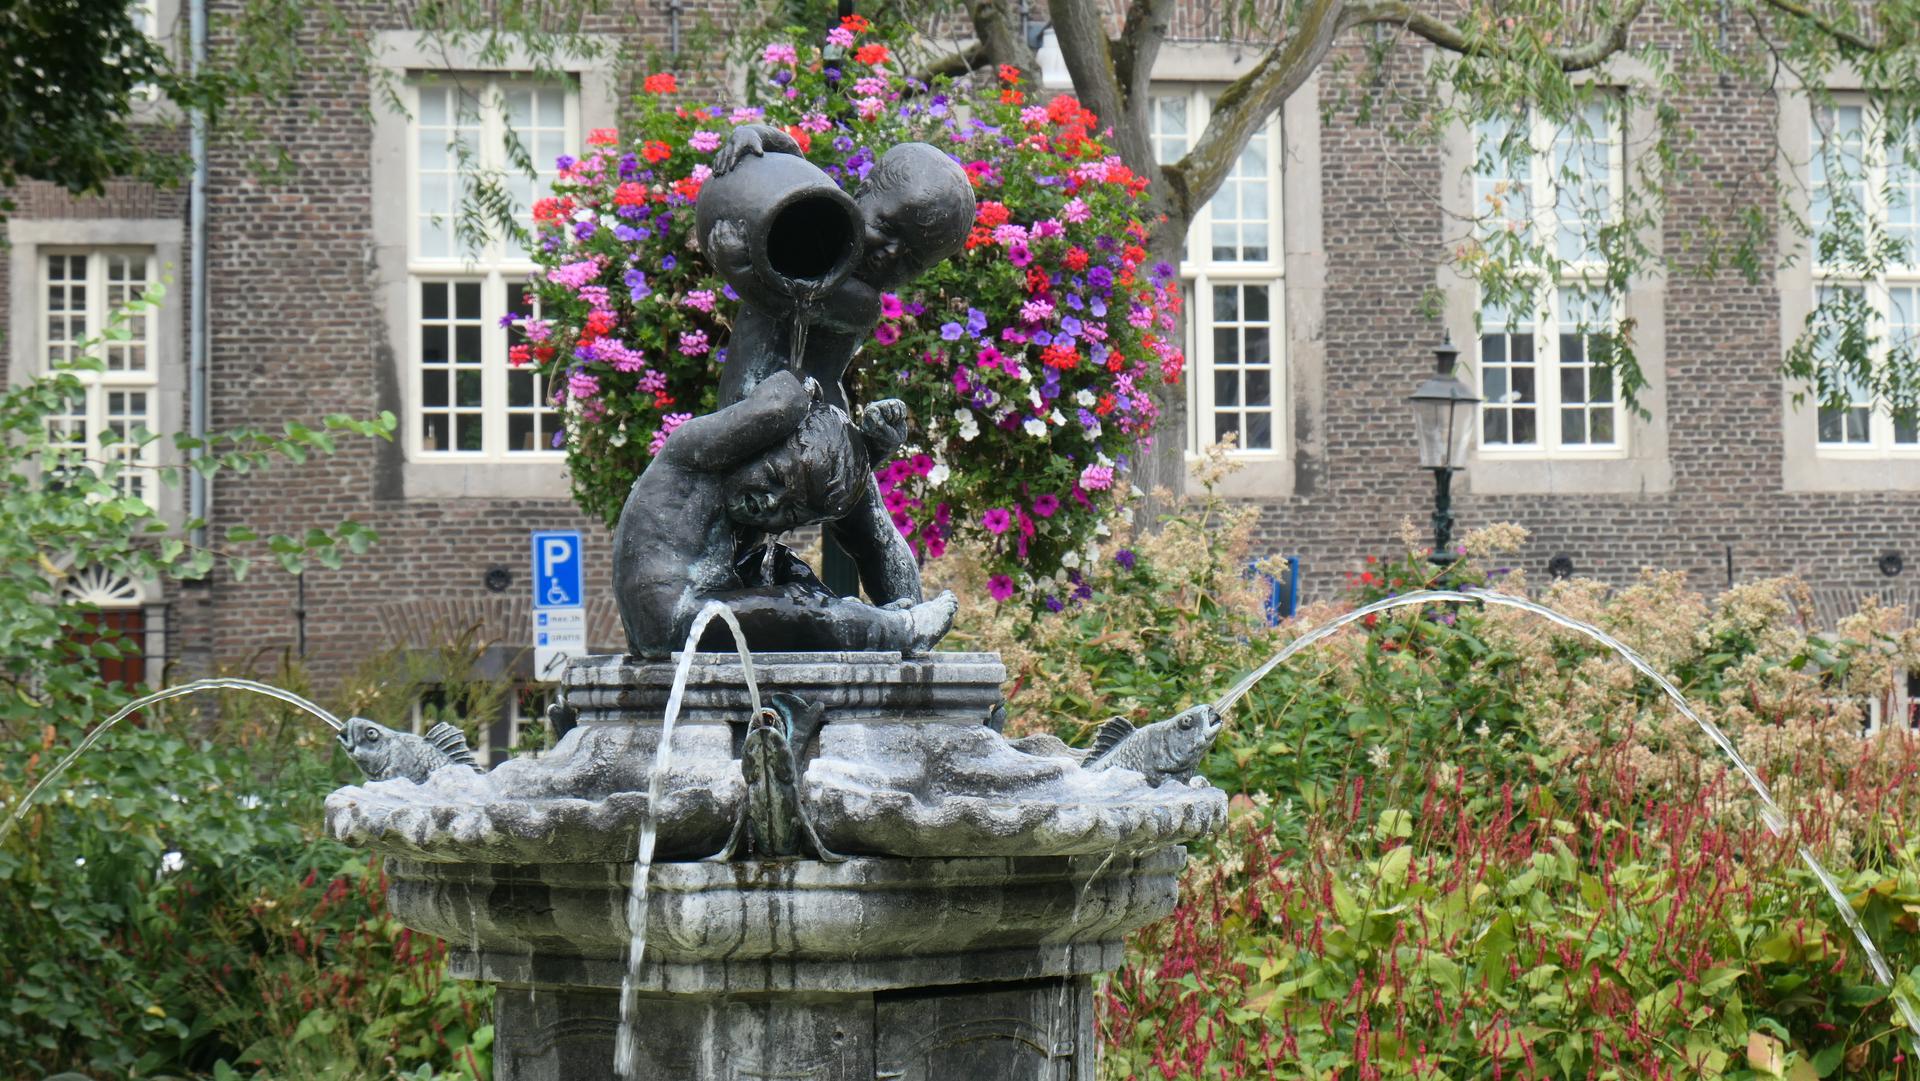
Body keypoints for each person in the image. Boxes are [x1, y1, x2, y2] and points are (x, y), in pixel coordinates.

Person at [705, 126, 975, 608]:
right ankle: (717, 617)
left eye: (912, 259)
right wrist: (757, 136)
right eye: (888, 228)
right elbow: (793, 173)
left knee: (869, 529)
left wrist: (735, 262)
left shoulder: (860, 302)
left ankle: (911, 620)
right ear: (860, 194)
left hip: (817, 426)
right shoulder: (818, 227)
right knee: (728, 532)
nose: (890, 253)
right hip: (751, 411)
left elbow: (779, 294)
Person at [612, 369, 958, 658]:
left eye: (789, 513)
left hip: (707, 608)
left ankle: (857, 619)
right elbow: (778, 402)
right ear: (762, 445)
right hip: (674, 620)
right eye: (774, 477)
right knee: (801, 609)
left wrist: (868, 454)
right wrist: (801, 394)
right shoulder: (692, 455)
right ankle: (900, 630)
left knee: (784, 566)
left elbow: (874, 537)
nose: (769, 502)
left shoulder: (742, 501)